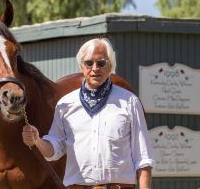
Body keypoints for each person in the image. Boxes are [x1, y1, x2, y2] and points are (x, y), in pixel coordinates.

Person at [22, 38, 154, 189]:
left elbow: (143, 157)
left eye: (101, 63)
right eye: (89, 63)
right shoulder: (66, 105)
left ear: (110, 65)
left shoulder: (129, 102)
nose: (95, 68)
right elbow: (54, 151)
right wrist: (37, 140)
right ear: (81, 66)